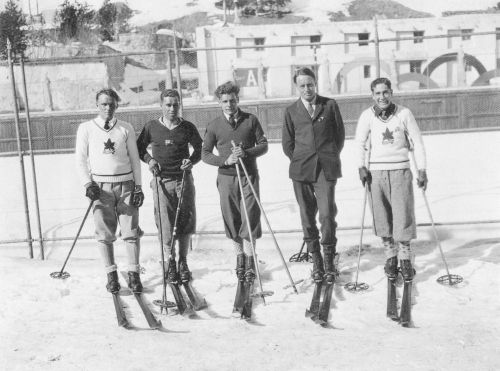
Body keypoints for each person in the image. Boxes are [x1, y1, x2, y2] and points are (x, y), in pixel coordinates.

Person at [354, 77, 428, 280]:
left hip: (400, 171)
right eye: (377, 93)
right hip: (376, 174)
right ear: (372, 95)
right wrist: (361, 166)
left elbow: (418, 142)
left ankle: (404, 257)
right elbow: (359, 143)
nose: (382, 97)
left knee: (402, 214)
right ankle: (390, 256)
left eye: (385, 92)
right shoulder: (367, 116)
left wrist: (422, 169)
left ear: (391, 92)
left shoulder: (404, 113)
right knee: (382, 216)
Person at [75, 88, 144, 293]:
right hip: (100, 188)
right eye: (104, 104)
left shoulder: (125, 128)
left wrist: (138, 186)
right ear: (97, 105)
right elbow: (80, 159)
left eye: (112, 104)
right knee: (104, 234)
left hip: (126, 186)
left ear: (117, 105)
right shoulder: (86, 128)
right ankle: (111, 275)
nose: (108, 108)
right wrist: (88, 184)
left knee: (131, 232)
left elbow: (134, 159)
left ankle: (134, 274)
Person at [282, 67, 345, 284]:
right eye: (302, 85)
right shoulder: (291, 111)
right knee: (307, 216)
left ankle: (329, 256)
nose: (307, 89)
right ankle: (316, 258)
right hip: (301, 170)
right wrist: (302, 159)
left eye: (310, 84)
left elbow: (339, 137)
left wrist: (327, 156)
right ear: (297, 87)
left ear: (315, 83)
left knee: (327, 215)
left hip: (325, 169)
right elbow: (287, 144)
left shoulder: (330, 105)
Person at [201, 81, 268, 286]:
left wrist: (246, 153)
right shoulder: (214, 125)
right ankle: (239, 257)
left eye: (232, 100)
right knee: (232, 217)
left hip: (248, 175)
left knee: (249, 215)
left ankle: (250, 259)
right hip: (226, 177)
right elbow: (205, 154)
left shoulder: (251, 120)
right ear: (219, 103)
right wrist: (225, 160)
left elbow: (264, 145)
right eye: (224, 101)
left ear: (238, 99)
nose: (229, 104)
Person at [136, 89, 202, 283]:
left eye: (175, 104)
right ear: (161, 106)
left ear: (179, 105)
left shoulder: (187, 127)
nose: (172, 108)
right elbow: (140, 148)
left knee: (185, 221)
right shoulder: (152, 127)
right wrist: (149, 160)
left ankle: (183, 261)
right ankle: (169, 261)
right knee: (165, 223)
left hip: (183, 179)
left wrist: (191, 161)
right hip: (161, 180)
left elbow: (200, 149)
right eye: (168, 105)